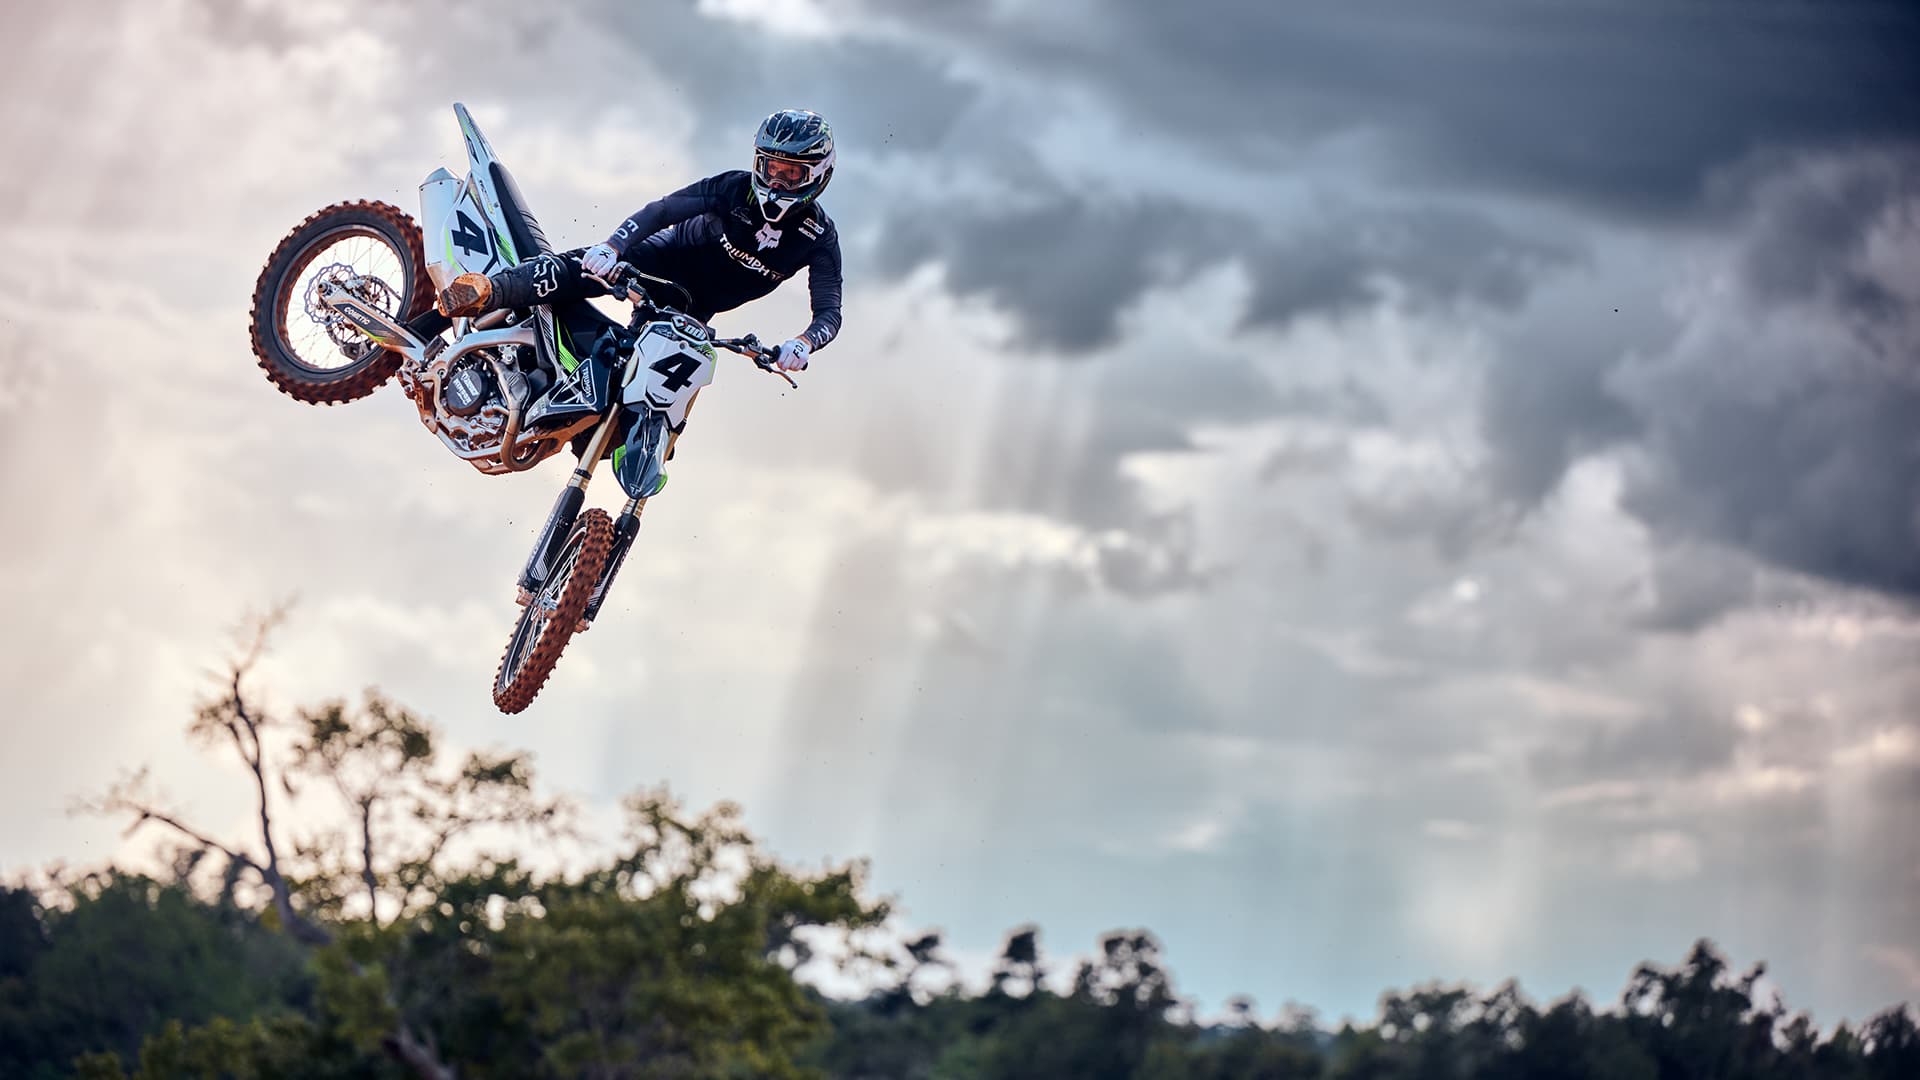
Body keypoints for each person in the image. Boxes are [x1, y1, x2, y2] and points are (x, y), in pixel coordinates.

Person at [436, 108, 841, 376]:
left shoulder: (819, 237)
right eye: (770, 168)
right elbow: (663, 210)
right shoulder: (732, 188)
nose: (776, 181)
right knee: (583, 268)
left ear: (818, 176)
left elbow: (829, 314)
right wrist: (613, 247)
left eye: (791, 174)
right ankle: (485, 290)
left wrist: (804, 343)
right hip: (664, 260)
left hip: (692, 310)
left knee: (658, 393)